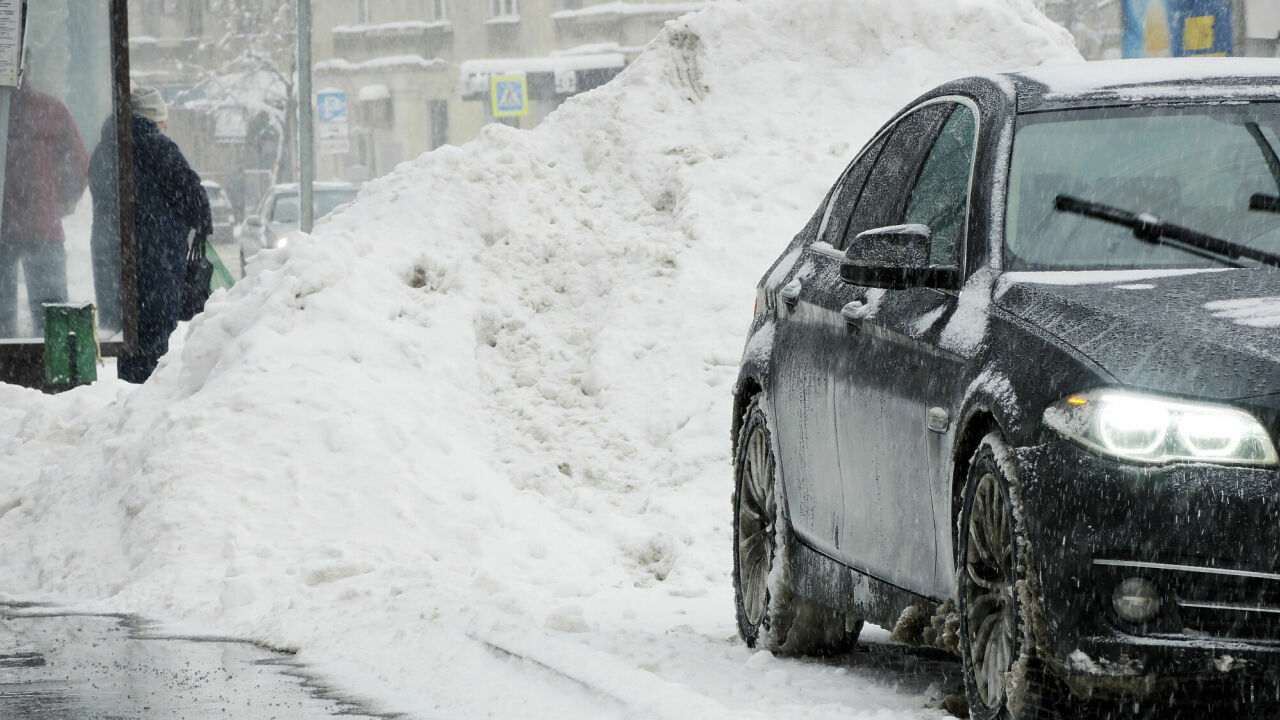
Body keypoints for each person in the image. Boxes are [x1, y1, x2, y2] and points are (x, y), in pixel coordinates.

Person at [96, 86, 211, 383]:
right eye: (162, 120)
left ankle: (129, 406)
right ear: (152, 119)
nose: (163, 127)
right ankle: (142, 414)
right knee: (152, 351)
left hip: (113, 268)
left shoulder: (105, 148)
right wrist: (198, 223)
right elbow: (195, 198)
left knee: (130, 349)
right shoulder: (157, 148)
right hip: (154, 268)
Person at [0, 80, 89, 338]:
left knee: (3, 322)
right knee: (52, 316)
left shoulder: (48, 109)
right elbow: (78, 163)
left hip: (13, 225)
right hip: (42, 226)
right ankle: (57, 371)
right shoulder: (49, 109)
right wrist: (58, 203)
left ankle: (7, 370)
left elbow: (77, 164)